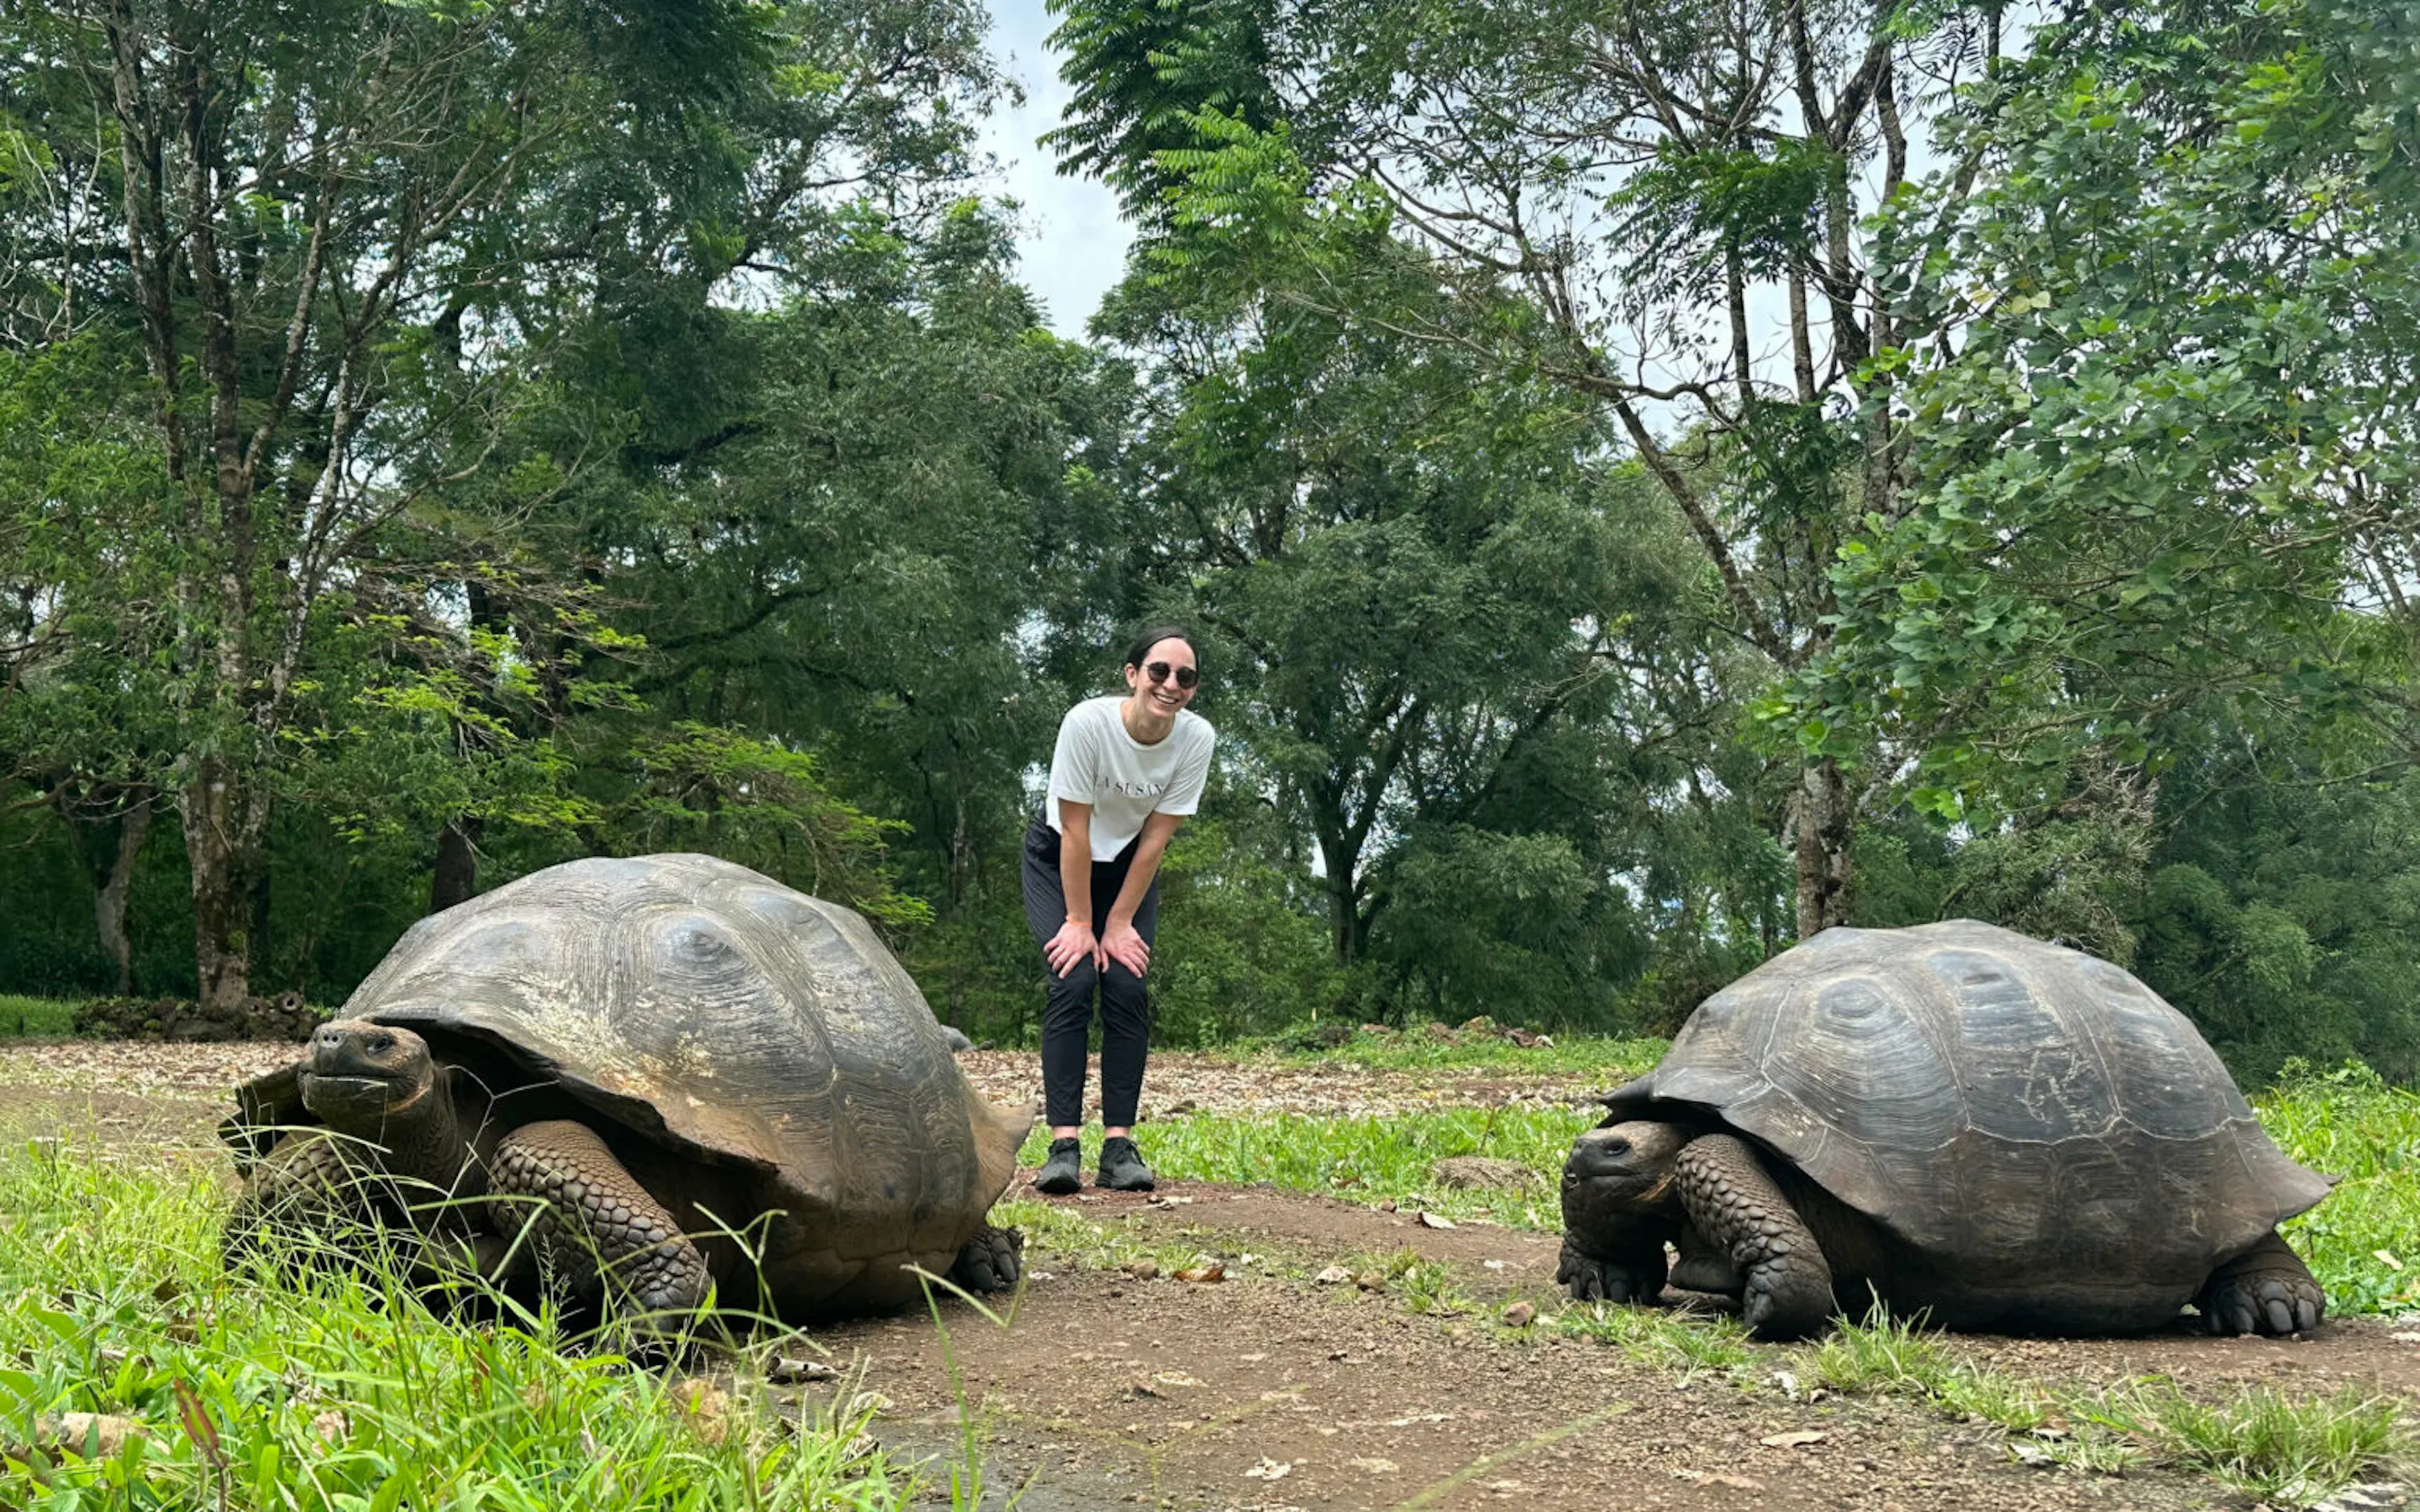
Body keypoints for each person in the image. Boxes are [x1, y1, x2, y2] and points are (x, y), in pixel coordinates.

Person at [1023, 626, 1214, 1194]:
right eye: (1159, 671)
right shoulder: (1088, 724)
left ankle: (1118, 1148)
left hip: (1128, 869)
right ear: (1132, 676)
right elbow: (1075, 831)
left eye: (1185, 676)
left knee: (1128, 984)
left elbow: (1155, 840)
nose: (1171, 684)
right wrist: (1081, 923)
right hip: (1059, 857)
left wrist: (1121, 922)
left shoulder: (1196, 739)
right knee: (1073, 979)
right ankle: (1062, 1146)